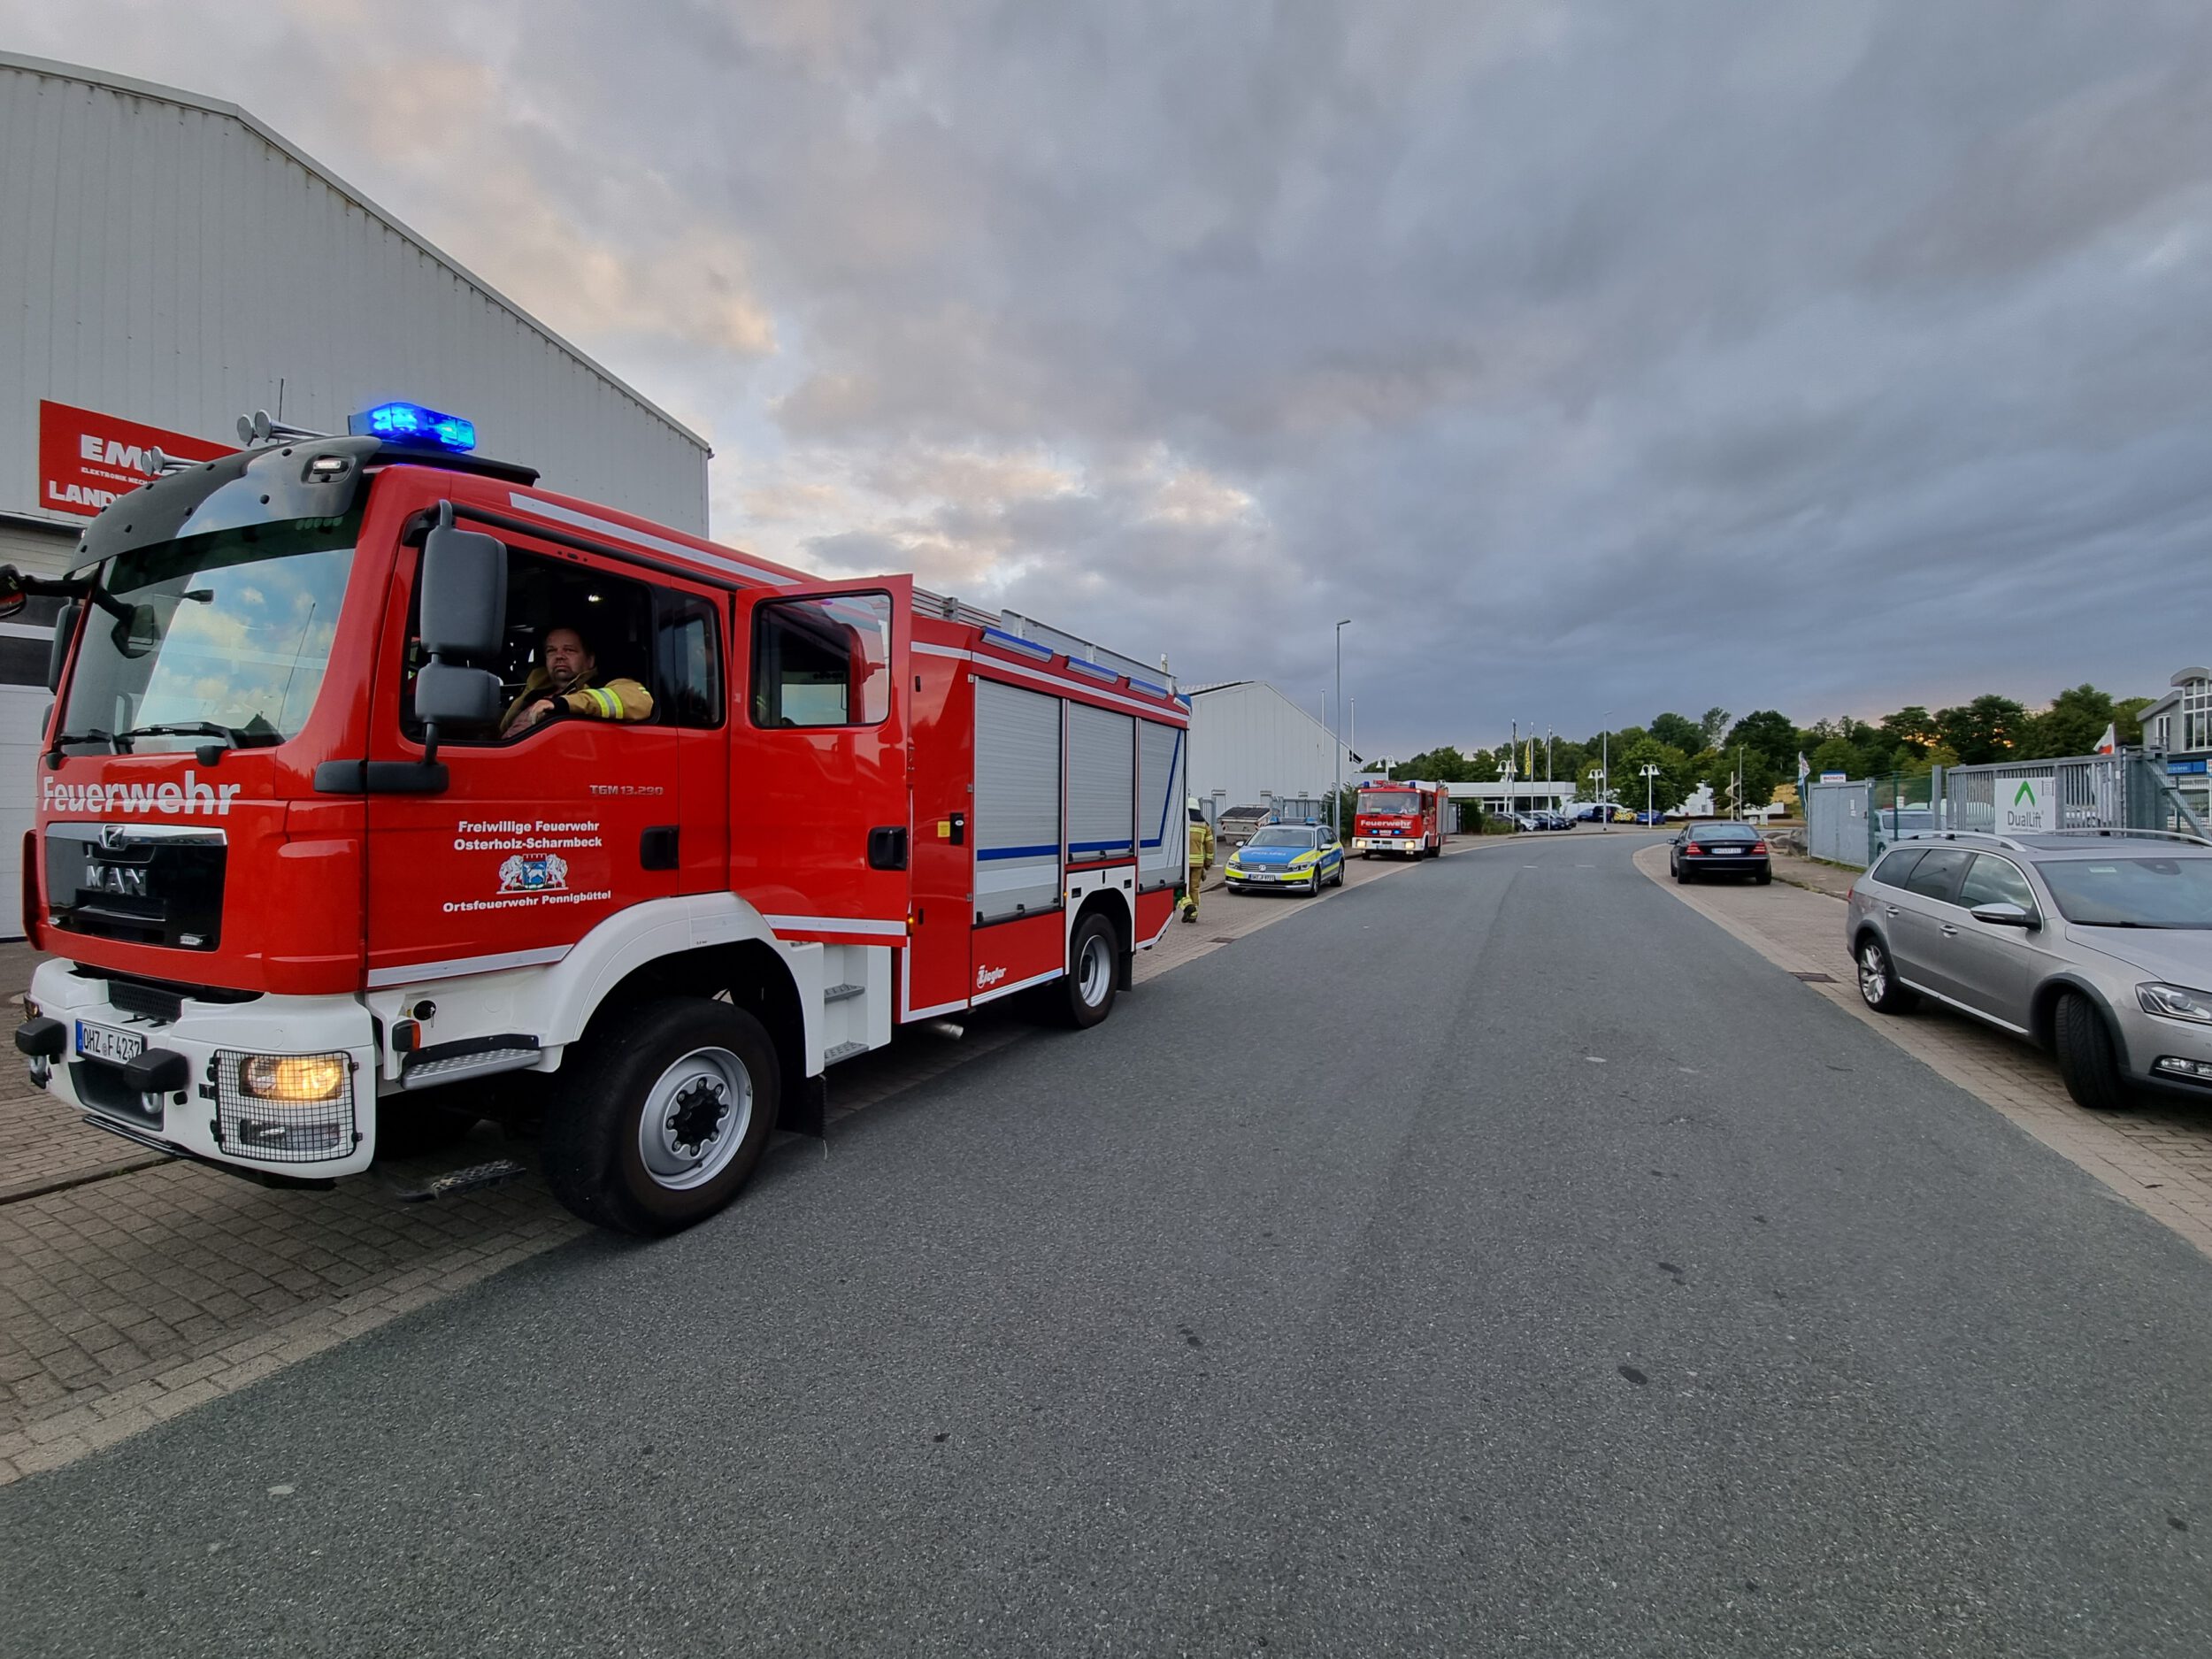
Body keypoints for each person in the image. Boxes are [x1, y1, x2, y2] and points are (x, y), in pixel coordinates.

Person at [499, 625, 654, 734]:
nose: (559, 656)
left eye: (569, 650)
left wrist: (562, 705)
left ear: (590, 660)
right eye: (551, 651)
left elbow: (641, 701)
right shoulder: (533, 691)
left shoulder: (599, 686)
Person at [1178, 802, 1215, 924]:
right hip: (1198, 863)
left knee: (1179, 888)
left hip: (1184, 863)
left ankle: (1187, 906)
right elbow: (1210, 844)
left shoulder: (1183, 821)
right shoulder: (1205, 824)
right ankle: (1193, 915)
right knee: (1195, 888)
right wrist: (1208, 862)